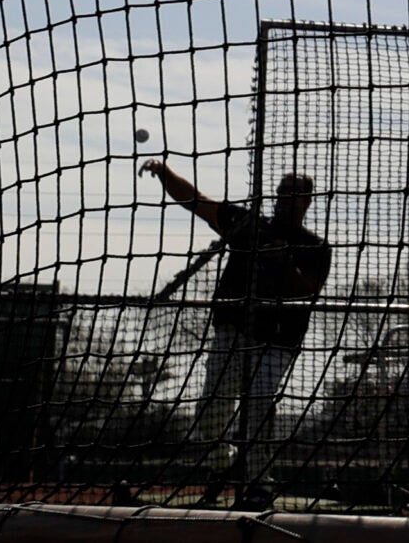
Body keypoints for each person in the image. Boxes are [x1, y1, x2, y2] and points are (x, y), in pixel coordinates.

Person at [143, 161, 334, 504]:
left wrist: (282, 261)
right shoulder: (248, 224)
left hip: (277, 340)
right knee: (210, 413)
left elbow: (309, 290)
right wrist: (164, 172)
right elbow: (196, 201)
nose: (284, 200)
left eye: (294, 195)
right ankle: (224, 466)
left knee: (259, 405)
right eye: (281, 193)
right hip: (232, 333)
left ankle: (260, 483)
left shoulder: (315, 247)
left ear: (307, 201)